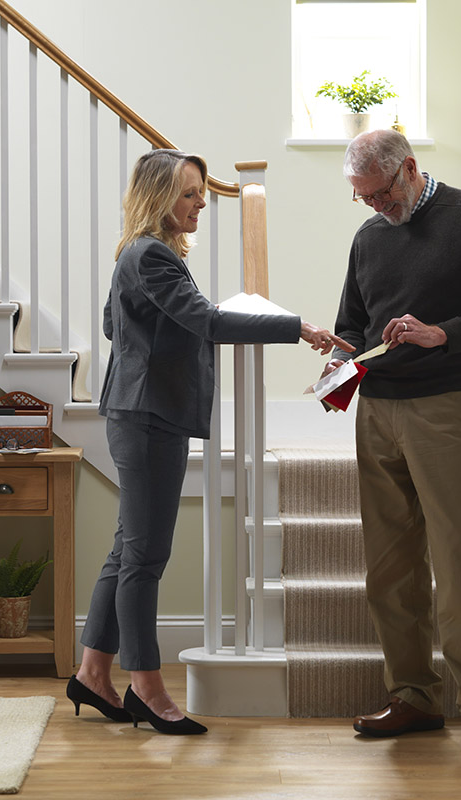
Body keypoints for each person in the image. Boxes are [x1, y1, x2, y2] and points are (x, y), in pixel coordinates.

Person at [68, 148, 353, 735]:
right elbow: (209, 322)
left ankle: (92, 672)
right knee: (145, 557)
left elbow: (111, 324)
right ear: (158, 197)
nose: (201, 202)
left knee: (128, 548)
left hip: (141, 411)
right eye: (189, 192)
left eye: (200, 191)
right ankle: (145, 686)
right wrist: (294, 327)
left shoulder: (141, 253)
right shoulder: (152, 255)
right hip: (148, 417)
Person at [324, 130, 461, 759]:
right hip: (377, 410)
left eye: (380, 194)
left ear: (408, 169)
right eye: (363, 198)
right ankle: (412, 694)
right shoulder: (368, 238)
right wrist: (340, 356)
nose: (374, 207)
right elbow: (351, 322)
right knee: (389, 565)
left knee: (459, 559)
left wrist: (442, 334)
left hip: (445, 408)